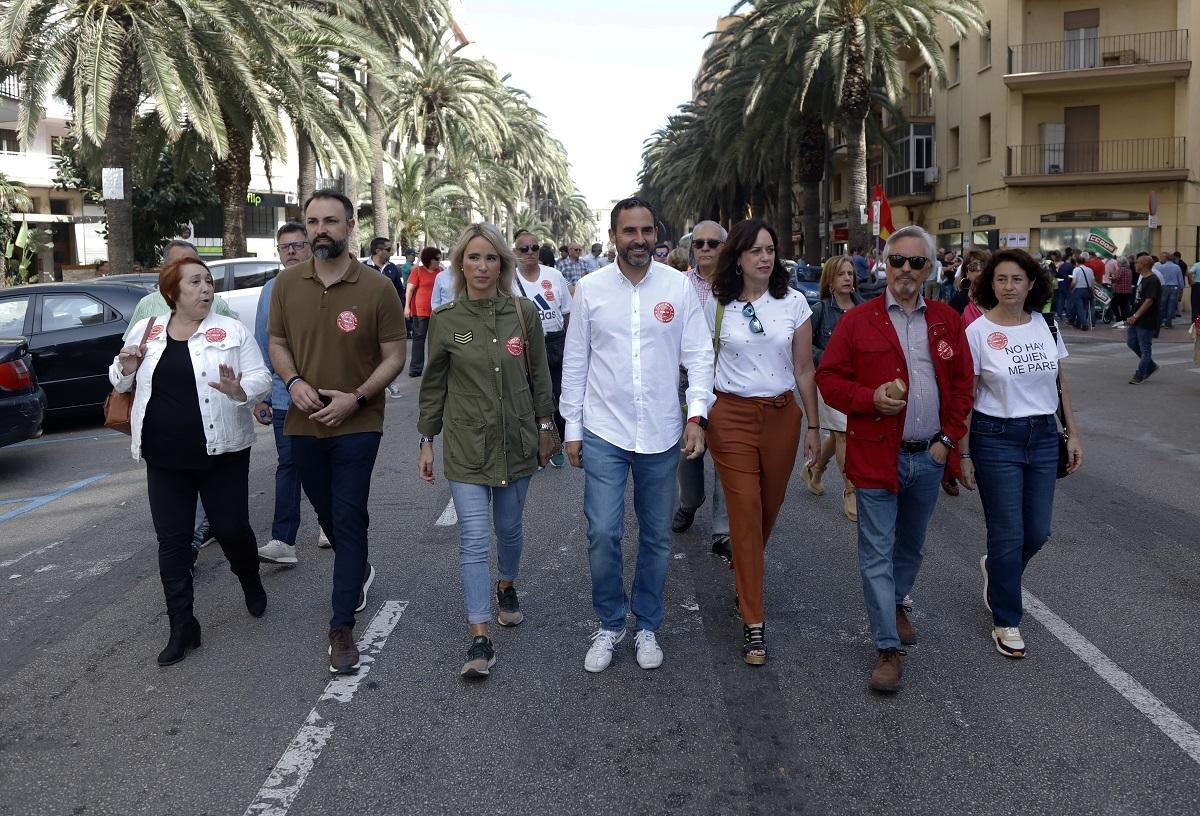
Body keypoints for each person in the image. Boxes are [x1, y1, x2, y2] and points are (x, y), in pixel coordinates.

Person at [815, 224, 974, 694]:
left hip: (928, 455)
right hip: (875, 455)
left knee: (910, 547)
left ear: (929, 268)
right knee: (876, 554)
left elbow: (964, 385)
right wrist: (868, 399)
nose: (906, 270)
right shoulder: (858, 321)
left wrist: (947, 440)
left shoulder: (946, 319)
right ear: (886, 265)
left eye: (916, 262)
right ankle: (887, 647)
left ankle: (898, 601)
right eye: (898, 261)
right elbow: (829, 378)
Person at [561, 197, 713, 674]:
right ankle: (610, 622)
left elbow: (699, 356)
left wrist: (697, 415)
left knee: (655, 536)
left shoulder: (678, 288)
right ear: (613, 237)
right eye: (630, 231)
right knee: (603, 531)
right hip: (604, 429)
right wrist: (572, 428)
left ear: (657, 235)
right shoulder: (588, 289)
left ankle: (646, 622)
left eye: (647, 230)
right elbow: (576, 361)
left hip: (663, 431)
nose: (640, 239)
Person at [267, 190, 407, 674]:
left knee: (347, 518)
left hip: (358, 423)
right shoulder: (286, 285)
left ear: (350, 226)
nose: (320, 229)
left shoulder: (377, 287)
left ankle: (341, 627)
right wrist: (293, 382)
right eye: (312, 221)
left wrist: (358, 398)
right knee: (329, 516)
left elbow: (395, 355)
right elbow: (278, 341)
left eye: (330, 221)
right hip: (302, 421)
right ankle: (359, 568)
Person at [108, 256, 271, 666]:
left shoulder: (231, 330)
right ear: (172, 293)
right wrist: (125, 370)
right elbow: (120, 374)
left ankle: (249, 579)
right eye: (195, 282)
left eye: (208, 281)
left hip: (224, 453)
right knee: (173, 543)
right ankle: (183, 625)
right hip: (164, 457)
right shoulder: (149, 330)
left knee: (232, 529)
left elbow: (261, 379)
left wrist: (239, 390)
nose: (206, 289)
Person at [418, 223, 556, 678]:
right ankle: (480, 637)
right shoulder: (446, 320)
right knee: (474, 540)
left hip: (516, 442)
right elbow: (434, 384)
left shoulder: (523, 314)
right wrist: (426, 440)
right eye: (473, 258)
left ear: (504, 264)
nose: (482, 266)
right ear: (460, 264)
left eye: (491, 258)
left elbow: (540, 378)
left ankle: (507, 585)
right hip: (466, 447)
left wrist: (545, 427)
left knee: (510, 528)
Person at [706, 219, 820, 666]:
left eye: (770, 249)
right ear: (738, 257)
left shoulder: (794, 303)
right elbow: (699, 362)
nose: (766, 257)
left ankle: (743, 567)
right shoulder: (717, 306)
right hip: (730, 416)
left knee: (767, 510)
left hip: (781, 417)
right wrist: (697, 416)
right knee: (746, 511)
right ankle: (754, 620)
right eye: (755, 250)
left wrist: (813, 426)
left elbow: (805, 368)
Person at [958, 250, 1082, 659]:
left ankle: (996, 568)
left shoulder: (1046, 324)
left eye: (1017, 279)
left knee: (1038, 531)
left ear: (1032, 283)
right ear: (989, 284)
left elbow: (1060, 386)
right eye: (1001, 279)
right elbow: (967, 397)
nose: (1009, 286)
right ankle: (1007, 619)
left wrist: (1074, 436)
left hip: (1045, 435)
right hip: (996, 437)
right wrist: (964, 452)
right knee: (1008, 532)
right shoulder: (976, 332)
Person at [124, 239, 237, 559]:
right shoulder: (148, 307)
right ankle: (185, 544)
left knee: (215, 502)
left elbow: (241, 358)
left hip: (212, 420)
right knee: (176, 494)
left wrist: (250, 397)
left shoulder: (219, 306)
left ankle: (199, 536)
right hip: (164, 424)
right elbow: (127, 357)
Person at [254, 222, 327, 565]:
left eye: (299, 245)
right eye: (286, 247)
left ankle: (330, 524)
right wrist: (264, 396)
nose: (292, 252)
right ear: (279, 253)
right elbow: (262, 343)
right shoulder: (270, 290)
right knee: (289, 465)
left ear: (310, 247)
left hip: (328, 394)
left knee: (327, 461)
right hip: (285, 396)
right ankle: (284, 541)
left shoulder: (326, 282)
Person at [671, 220, 731, 559]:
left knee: (724, 454)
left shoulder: (736, 286)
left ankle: (722, 530)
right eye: (699, 243)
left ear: (724, 247)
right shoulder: (678, 285)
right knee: (689, 451)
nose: (705, 248)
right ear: (691, 248)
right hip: (685, 379)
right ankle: (690, 502)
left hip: (725, 382)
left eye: (713, 243)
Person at [805, 254, 864, 521]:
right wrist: (828, 360)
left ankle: (815, 468)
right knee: (843, 434)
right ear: (830, 279)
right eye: (841, 274)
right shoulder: (820, 310)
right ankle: (850, 491)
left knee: (839, 433)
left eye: (850, 274)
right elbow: (808, 348)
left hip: (859, 382)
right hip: (830, 382)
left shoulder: (864, 308)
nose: (847, 279)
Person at [512, 229, 572, 467]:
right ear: (515, 252)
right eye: (524, 249)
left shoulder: (554, 276)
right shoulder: (508, 280)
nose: (530, 253)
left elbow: (567, 313)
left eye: (534, 248)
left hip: (555, 345)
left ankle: (556, 442)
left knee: (558, 397)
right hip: (524, 349)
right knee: (528, 399)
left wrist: (571, 346)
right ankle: (535, 445)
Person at [365, 237, 406, 398]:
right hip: (367, 317)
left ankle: (390, 382)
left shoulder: (393, 269)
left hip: (388, 318)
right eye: (388, 249)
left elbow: (399, 292)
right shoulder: (363, 268)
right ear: (377, 250)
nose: (391, 252)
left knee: (389, 352)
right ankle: (370, 385)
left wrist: (401, 309)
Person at [404, 247, 441, 377]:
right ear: (428, 259)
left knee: (436, 341)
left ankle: (434, 369)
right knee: (418, 340)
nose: (438, 260)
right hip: (420, 312)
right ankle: (415, 369)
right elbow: (409, 290)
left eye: (439, 258)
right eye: (436, 258)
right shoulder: (417, 271)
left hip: (436, 312)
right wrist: (407, 307)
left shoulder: (441, 271)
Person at [1126, 255, 1162, 384]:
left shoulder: (1153, 280)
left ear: (1144, 264)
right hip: (1136, 318)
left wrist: (1136, 316)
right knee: (1131, 342)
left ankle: (1140, 374)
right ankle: (1151, 365)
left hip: (1146, 319)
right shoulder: (1143, 278)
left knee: (1145, 348)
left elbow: (1149, 301)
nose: (1135, 265)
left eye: (1137, 263)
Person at [1153, 251, 1184, 328]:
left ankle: (1160, 321)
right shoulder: (1177, 267)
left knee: (1162, 305)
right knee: (1171, 305)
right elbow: (1180, 279)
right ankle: (1168, 323)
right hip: (1174, 287)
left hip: (1164, 287)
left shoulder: (1161, 267)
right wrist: (1181, 287)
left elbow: (1159, 277)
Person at [1068, 253, 1095, 330]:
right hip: (1088, 290)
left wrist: (1071, 288)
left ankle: (1084, 324)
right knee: (1084, 307)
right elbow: (1092, 282)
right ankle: (1078, 323)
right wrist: (1093, 291)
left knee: (1080, 308)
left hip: (1078, 290)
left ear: (1077, 262)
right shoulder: (1090, 270)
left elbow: (1074, 281)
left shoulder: (1076, 270)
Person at [1110, 257, 1133, 323]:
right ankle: (1124, 319)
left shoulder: (1120, 270)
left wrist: (1111, 278)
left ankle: (1118, 318)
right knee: (1123, 306)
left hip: (1120, 291)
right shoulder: (1129, 270)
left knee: (1113, 305)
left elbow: (1116, 279)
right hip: (1127, 291)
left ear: (1120, 263)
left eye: (1117, 262)